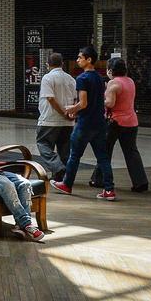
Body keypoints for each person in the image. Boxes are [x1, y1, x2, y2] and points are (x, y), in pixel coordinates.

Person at [52, 46, 116, 200]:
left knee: (74, 155)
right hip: (99, 123)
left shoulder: (82, 78)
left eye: (80, 57)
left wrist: (72, 109)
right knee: (103, 157)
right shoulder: (100, 78)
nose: (78, 60)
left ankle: (67, 184)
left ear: (89, 60)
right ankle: (109, 189)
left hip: (85, 123)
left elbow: (83, 103)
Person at [89, 57, 149, 193]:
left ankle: (99, 179)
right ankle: (140, 182)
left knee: (105, 150)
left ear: (110, 70)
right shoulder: (130, 81)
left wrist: (98, 98)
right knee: (131, 152)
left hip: (115, 122)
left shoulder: (113, 83)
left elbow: (110, 103)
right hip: (132, 122)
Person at [35, 53, 75, 181]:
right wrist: (71, 113)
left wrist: (63, 112)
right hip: (68, 122)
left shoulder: (48, 78)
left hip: (49, 119)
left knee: (43, 144)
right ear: (62, 64)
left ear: (47, 64)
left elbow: (50, 98)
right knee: (64, 149)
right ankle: (63, 177)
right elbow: (76, 99)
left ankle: (57, 168)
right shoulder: (70, 79)